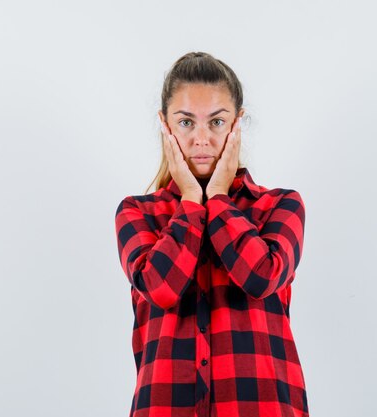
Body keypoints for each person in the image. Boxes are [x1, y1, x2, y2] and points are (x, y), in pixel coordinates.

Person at [114, 52, 309, 417]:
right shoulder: (137, 213)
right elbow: (160, 288)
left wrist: (218, 197)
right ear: (165, 124)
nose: (201, 139)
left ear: (237, 124)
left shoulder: (280, 206)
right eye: (186, 122)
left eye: (216, 122)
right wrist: (190, 200)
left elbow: (260, 276)